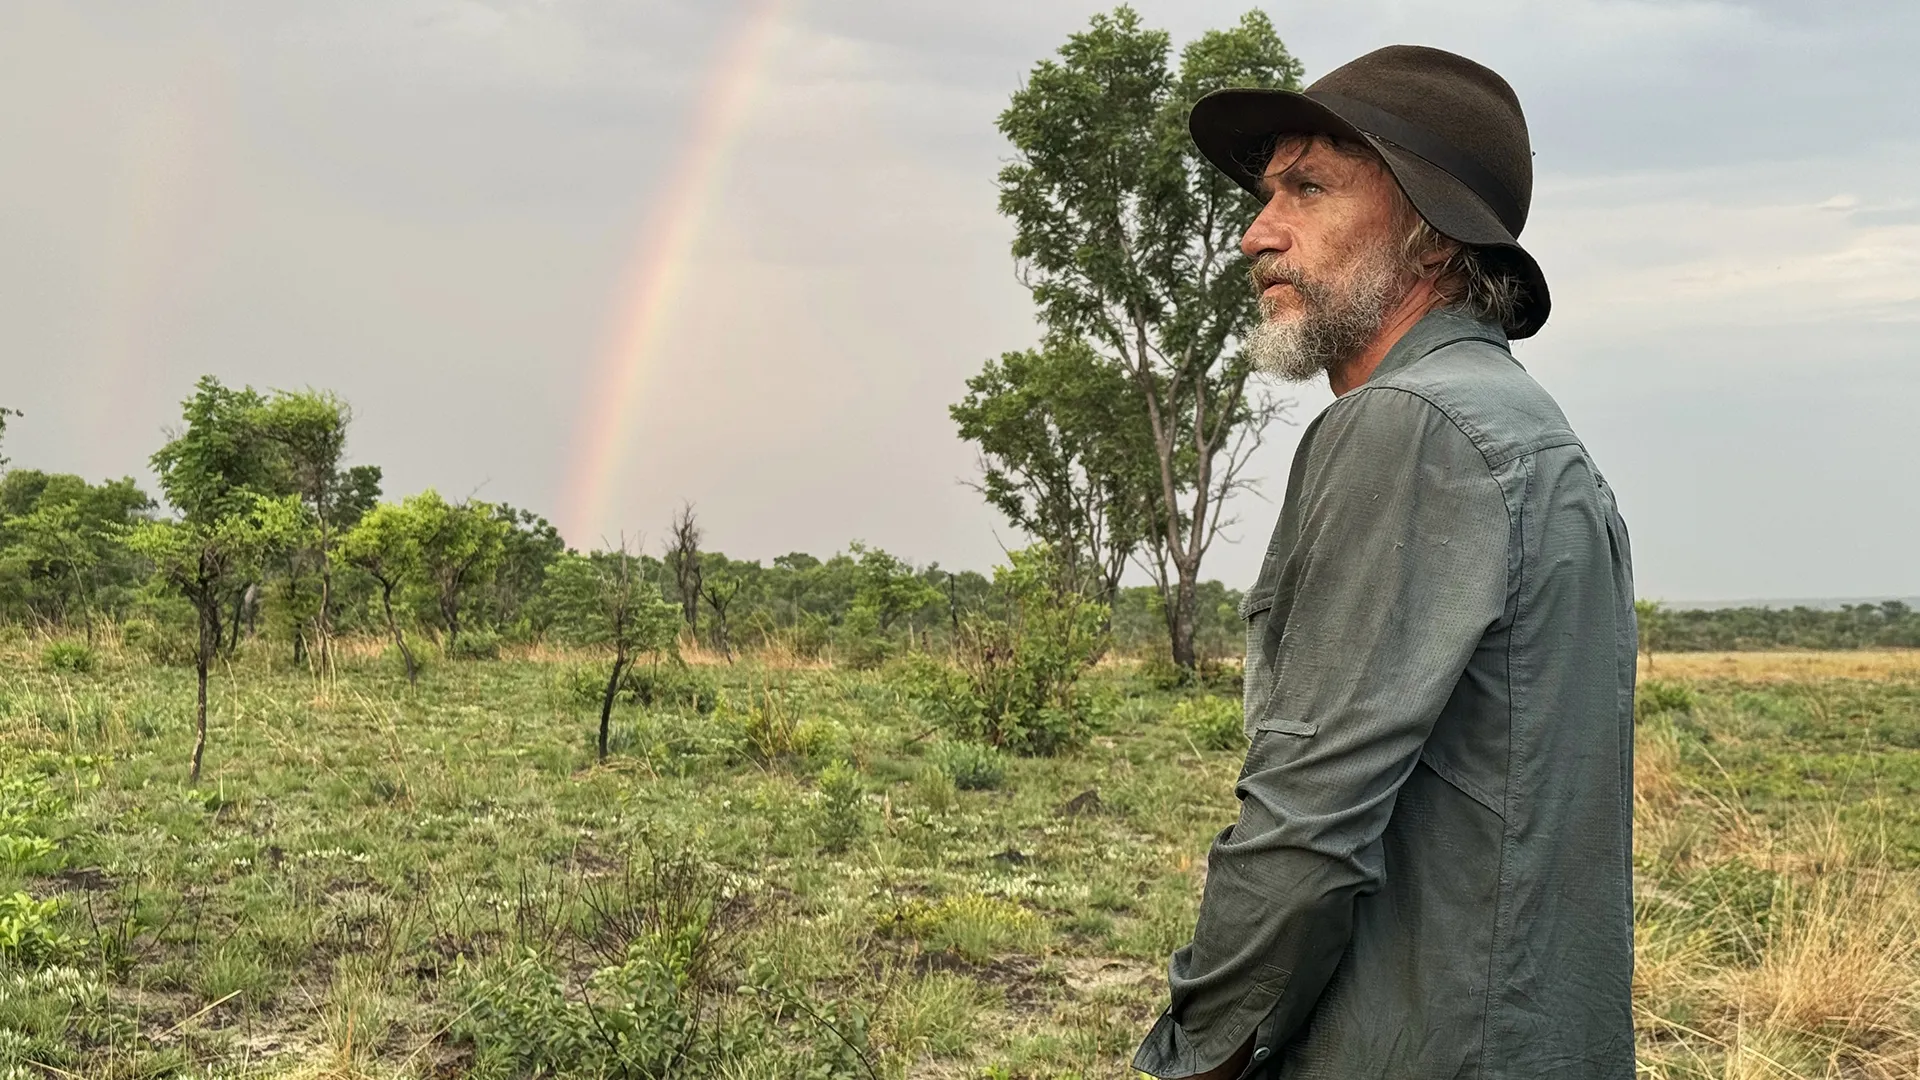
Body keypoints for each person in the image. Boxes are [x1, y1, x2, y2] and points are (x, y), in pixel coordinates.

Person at [1132, 45, 1637, 1080]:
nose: (1254, 235)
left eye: (1308, 188)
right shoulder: (1525, 428)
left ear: (1433, 237)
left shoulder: (1410, 424)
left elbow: (1304, 827)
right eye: (1266, 191)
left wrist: (1193, 1059)